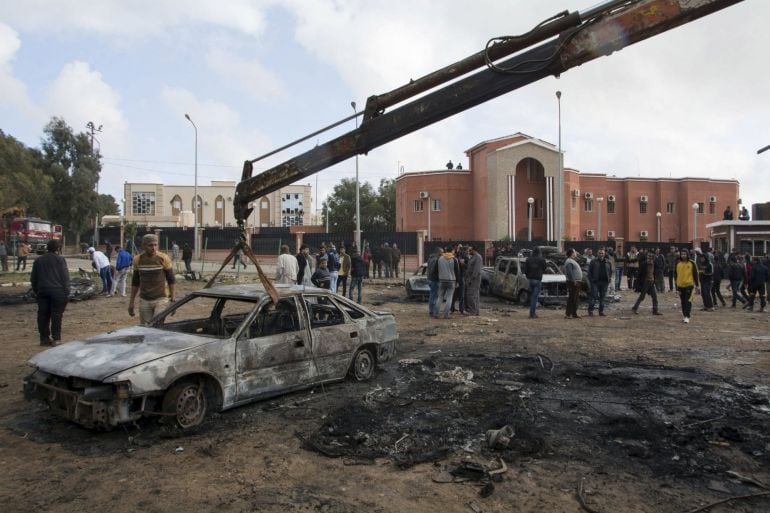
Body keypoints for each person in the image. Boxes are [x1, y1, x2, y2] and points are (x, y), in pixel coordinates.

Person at [128, 234, 176, 324]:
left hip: (161, 298)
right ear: (144, 246)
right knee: (146, 328)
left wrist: (173, 300)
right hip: (145, 299)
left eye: (155, 245)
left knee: (157, 324)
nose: (153, 248)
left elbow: (171, 280)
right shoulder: (137, 260)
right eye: (150, 245)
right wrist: (131, 302)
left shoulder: (163, 258)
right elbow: (135, 282)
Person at [30, 240, 70, 346]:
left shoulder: (38, 260)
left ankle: (44, 339)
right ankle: (56, 339)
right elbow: (65, 277)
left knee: (43, 315)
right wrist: (67, 292)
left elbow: (33, 278)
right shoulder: (60, 260)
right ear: (58, 249)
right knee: (56, 315)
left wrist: (36, 290)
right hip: (58, 292)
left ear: (47, 248)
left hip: (43, 291)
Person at [675, 249, 699, 324]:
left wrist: (697, 285)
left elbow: (696, 274)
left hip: (689, 285)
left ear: (687, 254)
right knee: (683, 301)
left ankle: (687, 316)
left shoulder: (692, 263)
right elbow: (675, 275)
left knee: (688, 301)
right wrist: (676, 287)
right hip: (680, 286)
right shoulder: (678, 264)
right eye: (682, 254)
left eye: (685, 254)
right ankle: (684, 315)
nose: (683, 255)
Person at [588, 247, 612, 317]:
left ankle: (601, 311)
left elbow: (610, 271)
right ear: (597, 253)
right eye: (600, 253)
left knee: (603, 297)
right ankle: (590, 311)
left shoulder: (608, 262)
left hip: (605, 282)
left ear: (604, 254)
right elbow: (589, 272)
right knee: (594, 296)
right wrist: (592, 280)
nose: (601, 254)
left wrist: (609, 279)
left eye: (602, 253)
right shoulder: (593, 261)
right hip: (595, 282)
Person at [523, 248, 546, 319]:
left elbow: (525, 270)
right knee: (534, 297)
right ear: (539, 252)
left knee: (532, 296)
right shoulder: (542, 260)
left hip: (530, 279)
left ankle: (532, 313)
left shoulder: (528, 259)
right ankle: (532, 314)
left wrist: (528, 277)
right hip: (538, 279)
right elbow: (544, 268)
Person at [437, 248, 459, 319]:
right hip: (451, 280)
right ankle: (446, 315)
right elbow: (457, 271)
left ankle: (436, 313)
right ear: (452, 251)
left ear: (446, 251)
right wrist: (457, 281)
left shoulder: (440, 258)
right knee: (449, 297)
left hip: (441, 280)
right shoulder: (454, 259)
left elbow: (436, 269)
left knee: (440, 297)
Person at [464, 245, 483, 316]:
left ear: (474, 250)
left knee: (471, 295)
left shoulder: (478, 257)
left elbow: (476, 270)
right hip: (471, 278)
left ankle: (473, 311)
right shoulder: (473, 257)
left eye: (470, 250)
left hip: (474, 279)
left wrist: (471, 280)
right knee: (474, 295)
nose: (469, 251)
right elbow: (470, 267)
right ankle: (475, 311)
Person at [564, 248, 582, 319]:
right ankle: (568, 314)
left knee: (575, 298)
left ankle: (574, 313)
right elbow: (569, 272)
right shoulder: (569, 261)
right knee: (572, 298)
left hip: (576, 282)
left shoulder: (572, 261)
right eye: (574, 252)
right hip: (573, 282)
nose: (576, 253)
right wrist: (573, 281)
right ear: (571, 253)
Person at [427, 246, 443, 318]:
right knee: (435, 296)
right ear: (438, 252)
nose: (442, 253)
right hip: (435, 280)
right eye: (441, 252)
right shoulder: (436, 259)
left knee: (432, 295)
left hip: (430, 279)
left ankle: (431, 310)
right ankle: (433, 311)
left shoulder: (430, 258)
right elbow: (434, 270)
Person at [451, 244, 467, 314]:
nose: (459, 249)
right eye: (458, 248)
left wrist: (463, 264)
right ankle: (453, 308)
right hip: (455, 278)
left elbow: (467, 267)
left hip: (460, 277)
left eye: (460, 248)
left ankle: (461, 309)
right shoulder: (453, 257)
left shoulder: (464, 257)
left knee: (461, 294)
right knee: (454, 294)